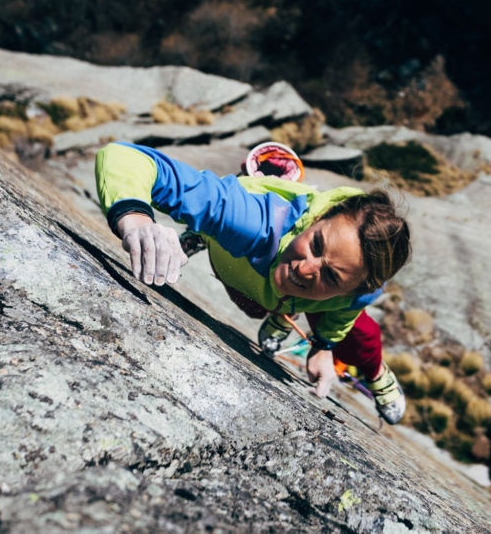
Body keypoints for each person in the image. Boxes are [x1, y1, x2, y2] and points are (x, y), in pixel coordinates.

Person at [94, 141, 411, 424]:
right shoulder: (252, 223)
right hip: (257, 257)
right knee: (255, 303)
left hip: (292, 289)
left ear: (359, 288)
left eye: (330, 274)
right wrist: (135, 218)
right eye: (315, 244)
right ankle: (205, 233)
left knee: (362, 336)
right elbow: (123, 156)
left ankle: (377, 374)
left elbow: (343, 312)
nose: (306, 268)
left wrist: (324, 346)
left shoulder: (358, 294)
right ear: (314, 221)